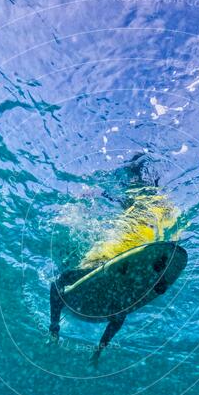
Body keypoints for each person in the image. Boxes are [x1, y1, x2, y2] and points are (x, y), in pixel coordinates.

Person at [49, 154, 182, 364]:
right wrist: (55, 326)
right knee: (147, 208)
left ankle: (138, 172)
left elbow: (116, 318)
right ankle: (138, 172)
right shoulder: (116, 299)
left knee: (144, 211)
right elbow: (56, 287)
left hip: (126, 249)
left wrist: (98, 349)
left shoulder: (116, 301)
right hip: (115, 254)